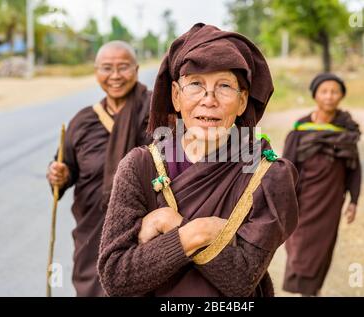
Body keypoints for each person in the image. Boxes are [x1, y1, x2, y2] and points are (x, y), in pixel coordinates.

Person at [97, 23, 299, 297]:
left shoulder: (267, 175)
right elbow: (116, 277)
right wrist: (196, 233)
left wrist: (172, 226)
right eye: (196, 85)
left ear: (242, 102)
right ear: (176, 97)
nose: (209, 100)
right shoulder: (141, 166)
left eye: (225, 86)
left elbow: (240, 281)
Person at [46, 41, 152, 296]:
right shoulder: (82, 122)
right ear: (96, 72)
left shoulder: (156, 112)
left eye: (123, 67)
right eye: (107, 68)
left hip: (144, 233)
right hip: (92, 233)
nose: (115, 76)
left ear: (136, 70)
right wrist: (57, 173)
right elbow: (66, 167)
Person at [282, 73, 362, 296]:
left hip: (330, 202)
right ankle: (306, 289)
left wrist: (354, 200)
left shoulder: (346, 132)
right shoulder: (300, 130)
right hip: (302, 201)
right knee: (298, 245)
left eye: (334, 91)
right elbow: (286, 168)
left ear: (342, 96)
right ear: (315, 95)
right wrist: (283, 199)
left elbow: (354, 169)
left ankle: (312, 291)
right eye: (324, 91)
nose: (329, 96)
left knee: (321, 248)